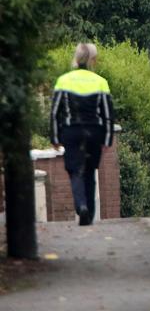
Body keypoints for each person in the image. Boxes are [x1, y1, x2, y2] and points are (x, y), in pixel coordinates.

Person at [50, 43, 115, 226]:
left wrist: (55, 137)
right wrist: (107, 139)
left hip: (72, 132)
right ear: (93, 60)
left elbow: (55, 112)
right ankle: (89, 215)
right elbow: (108, 114)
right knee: (89, 172)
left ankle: (82, 206)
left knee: (75, 171)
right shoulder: (100, 82)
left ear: (76, 58)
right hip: (94, 132)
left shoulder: (63, 81)